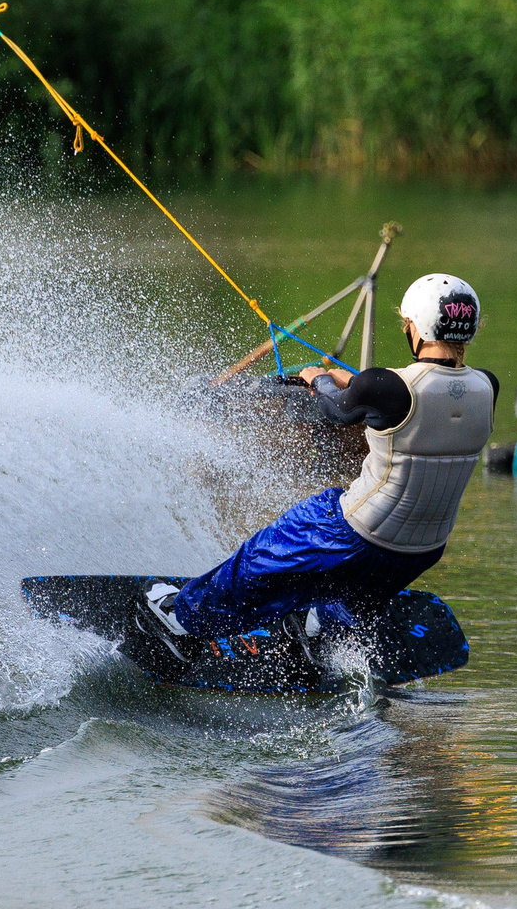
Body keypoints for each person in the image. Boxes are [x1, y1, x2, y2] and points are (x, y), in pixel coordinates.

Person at [143, 274, 497, 656]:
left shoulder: (386, 387)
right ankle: (318, 626)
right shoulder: (486, 387)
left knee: (261, 558)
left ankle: (180, 618)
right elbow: (422, 395)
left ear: (416, 326)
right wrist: (355, 382)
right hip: (423, 549)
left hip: (356, 532)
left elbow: (336, 409)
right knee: (356, 597)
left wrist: (320, 378)